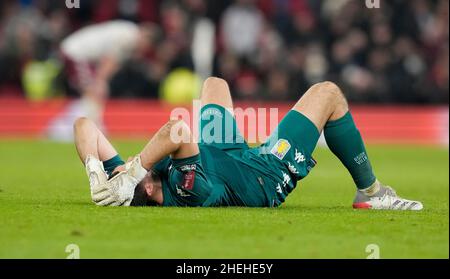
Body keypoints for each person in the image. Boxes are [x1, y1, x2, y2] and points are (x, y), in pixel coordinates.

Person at [74, 77, 423, 210]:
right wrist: (134, 170)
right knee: (328, 94)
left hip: (225, 155)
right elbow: (176, 132)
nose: (122, 166)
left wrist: (95, 172)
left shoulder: (127, 185)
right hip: (262, 174)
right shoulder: (187, 189)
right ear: (146, 189)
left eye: (118, 170)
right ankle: (371, 192)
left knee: (214, 84)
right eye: (122, 173)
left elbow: (84, 125)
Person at [48, 20, 155, 141]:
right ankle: (88, 133)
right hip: (76, 53)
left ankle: (90, 130)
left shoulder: (128, 31)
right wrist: (100, 81)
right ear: (146, 37)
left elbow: (113, 63)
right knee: (94, 92)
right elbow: (110, 59)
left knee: (94, 93)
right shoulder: (130, 36)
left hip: (80, 54)